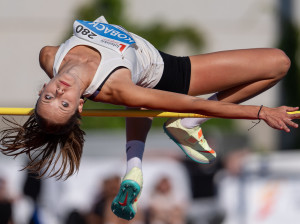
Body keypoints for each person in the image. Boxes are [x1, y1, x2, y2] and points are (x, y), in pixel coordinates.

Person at [0, 15, 299, 221]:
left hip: (139, 80)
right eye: (63, 103)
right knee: (278, 62)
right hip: (170, 73)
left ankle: (138, 166)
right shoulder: (114, 87)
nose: (59, 91)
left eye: (49, 96)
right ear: (79, 105)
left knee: (137, 97)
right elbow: (195, 103)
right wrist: (261, 112)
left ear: (42, 89)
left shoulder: (49, 57)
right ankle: (184, 127)